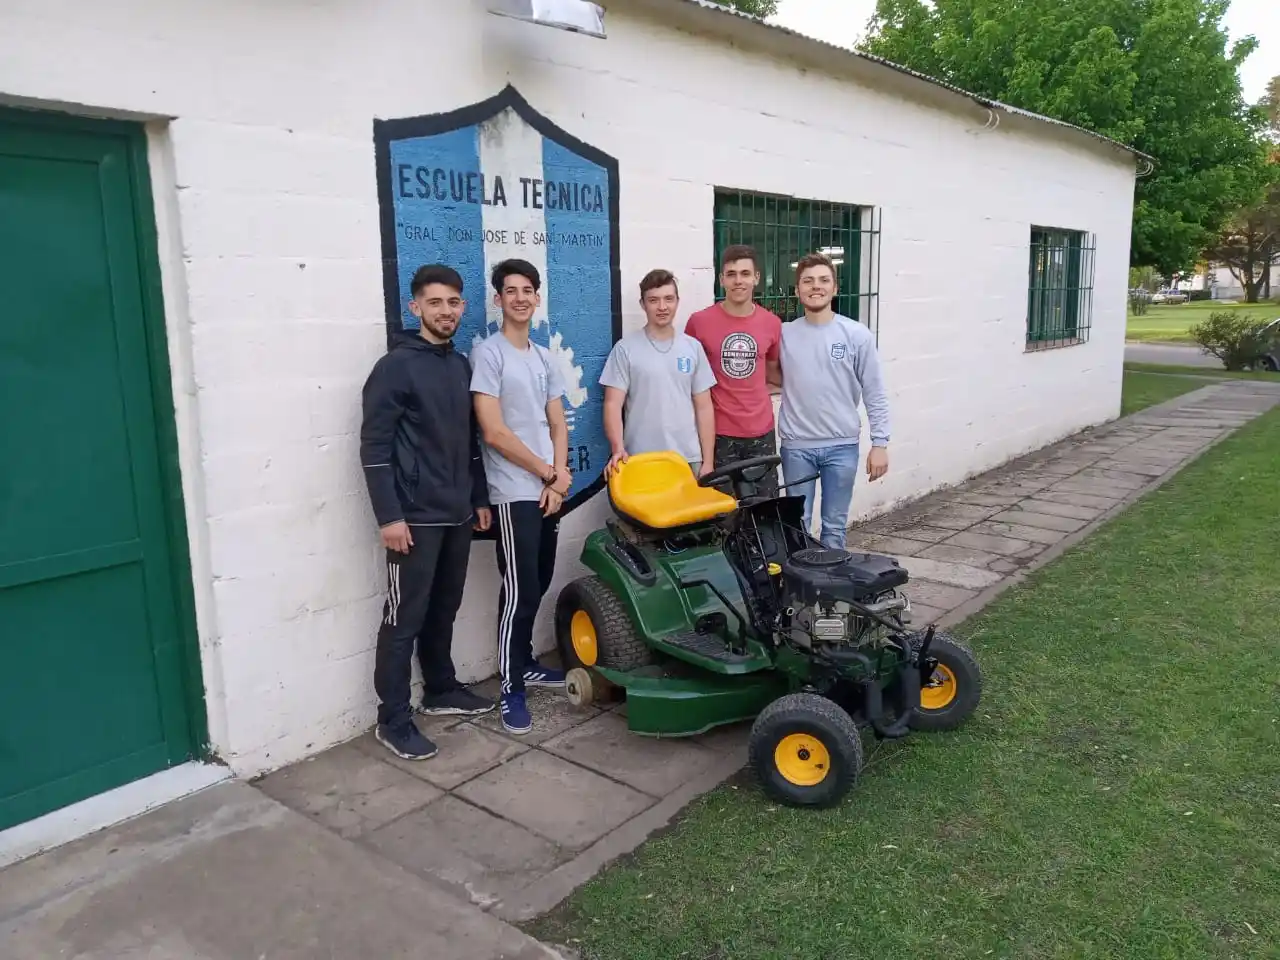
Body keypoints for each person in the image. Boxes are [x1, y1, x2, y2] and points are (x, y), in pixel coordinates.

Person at [360, 264, 496, 762]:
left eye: (454, 303)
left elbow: (471, 441)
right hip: (412, 520)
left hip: (457, 513)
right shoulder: (395, 366)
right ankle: (392, 718)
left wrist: (478, 497)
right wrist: (389, 517)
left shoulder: (460, 366)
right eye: (435, 303)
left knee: (445, 607)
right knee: (403, 618)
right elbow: (374, 447)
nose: (446, 311)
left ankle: (440, 689)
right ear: (416, 307)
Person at [470, 258, 572, 735]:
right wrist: (547, 474)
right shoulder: (489, 355)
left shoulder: (543, 357)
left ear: (537, 297)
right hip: (514, 492)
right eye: (510, 290)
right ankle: (511, 687)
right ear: (498, 300)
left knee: (540, 579)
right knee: (518, 590)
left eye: (528, 289)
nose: (520, 297)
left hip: (547, 488)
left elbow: (557, 423)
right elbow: (493, 431)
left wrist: (560, 475)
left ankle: (527, 660)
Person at [775, 252, 891, 550]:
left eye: (824, 280)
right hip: (797, 447)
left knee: (834, 530)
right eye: (808, 281)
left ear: (835, 288)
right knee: (796, 530)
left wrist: (880, 444)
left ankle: (829, 594)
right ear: (797, 289)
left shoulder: (856, 335)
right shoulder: (784, 334)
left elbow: (874, 392)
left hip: (842, 447)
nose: (816, 286)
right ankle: (800, 595)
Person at [684, 244, 784, 495]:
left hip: (761, 432)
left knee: (766, 510)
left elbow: (773, 372)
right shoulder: (699, 323)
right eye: (731, 274)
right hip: (719, 435)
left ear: (756, 278)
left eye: (745, 273)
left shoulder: (772, 323)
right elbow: (688, 379)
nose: (738, 281)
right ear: (721, 280)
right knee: (724, 515)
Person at [600, 269, 717, 478]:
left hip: (687, 460)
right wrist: (618, 448)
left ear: (677, 302)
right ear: (643, 304)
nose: (662, 307)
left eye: (668, 299)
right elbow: (612, 404)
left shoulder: (693, 348)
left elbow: (704, 407)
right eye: (653, 300)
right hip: (640, 459)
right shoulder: (625, 349)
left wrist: (708, 461)